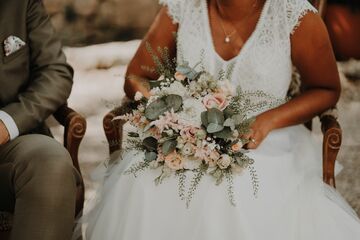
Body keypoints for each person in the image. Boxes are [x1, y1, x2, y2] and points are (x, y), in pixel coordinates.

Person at [77, 0, 360, 239]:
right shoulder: (182, 7)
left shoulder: (292, 15)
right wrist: (174, 112)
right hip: (188, 136)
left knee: (235, 192)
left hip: (269, 142)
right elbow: (137, 76)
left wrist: (268, 120)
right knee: (143, 182)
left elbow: (326, 89)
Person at [0, 0, 78, 239]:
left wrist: (6, 124)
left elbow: (55, 72)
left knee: (50, 161)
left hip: (9, 145)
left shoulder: (21, 4)